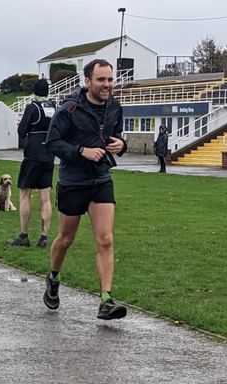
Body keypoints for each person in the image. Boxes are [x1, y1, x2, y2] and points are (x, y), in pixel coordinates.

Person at [44, 59, 128, 320]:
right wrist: (81, 151)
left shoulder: (115, 107)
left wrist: (121, 145)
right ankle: (54, 277)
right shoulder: (70, 109)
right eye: (101, 80)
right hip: (73, 181)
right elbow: (52, 143)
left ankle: (106, 300)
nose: (107, 85)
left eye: (110, 80)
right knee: (66, 239)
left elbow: (116, 135)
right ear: (88, 81)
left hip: (101, 179)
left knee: (105, 239)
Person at [8, 79, 55, 248]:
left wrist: (22, 125)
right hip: (49, 154)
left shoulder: (32, 107)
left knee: (25, 194)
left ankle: (24, 235)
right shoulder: (53, 107)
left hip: (33, 154)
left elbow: (22, 133)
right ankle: (44, 237)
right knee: (45, 198)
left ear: (35, 92)